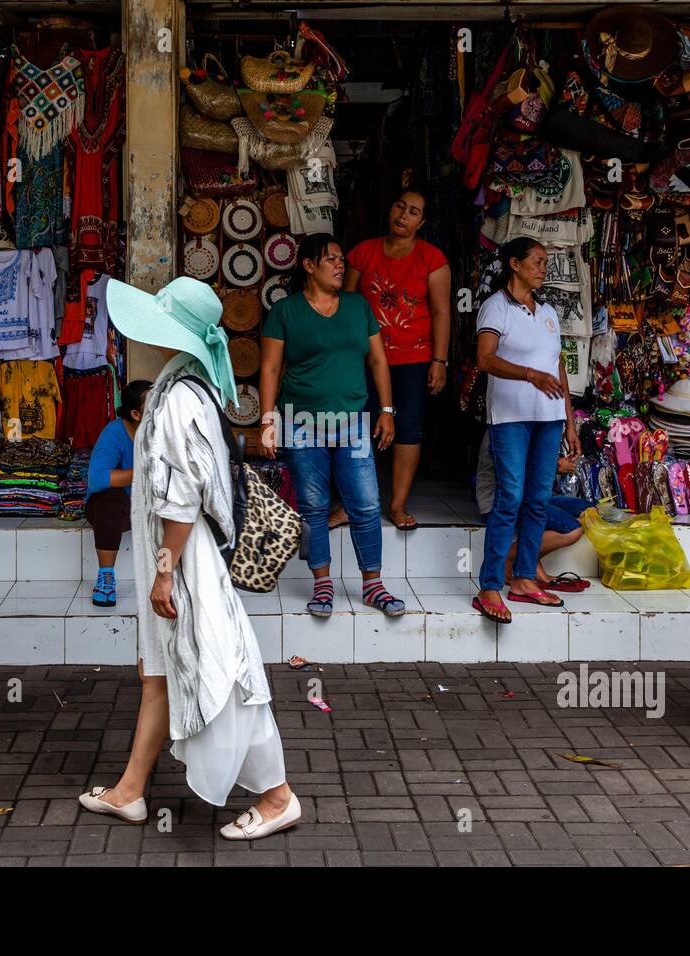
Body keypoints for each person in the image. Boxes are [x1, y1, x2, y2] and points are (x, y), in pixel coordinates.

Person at [78, 276, 300, 841]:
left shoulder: (177, 397)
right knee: (158, 673)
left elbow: (182, 495)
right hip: (178, 549)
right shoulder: (189, 387)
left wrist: (163, 571)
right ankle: (130, 791)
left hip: (181, 553)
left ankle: (277, 796)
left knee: (219, 668)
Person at [259, 235, 406, 618]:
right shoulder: (285, 312)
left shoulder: (358, 307)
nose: (341, 266)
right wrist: (268, 420)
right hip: (301, 422)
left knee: (367, 502)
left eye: (342, 259)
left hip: (354, 422)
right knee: (312, 505)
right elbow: (271, 368)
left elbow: (378, 362)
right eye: (332, 260)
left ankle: (372, 584)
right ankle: (322, 584)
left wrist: (386, 409)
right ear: (308, 265)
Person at [473, 237, 581, 624]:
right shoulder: (495, 307)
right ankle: (489, 584)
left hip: (549, 418)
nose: (542, 268)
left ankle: (522, 579)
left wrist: (570, 421)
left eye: (544, 262)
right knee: (511, 499)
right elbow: (485, 359)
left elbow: (559, 369)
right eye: (536, 261)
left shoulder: (548, 311)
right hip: (511, 418)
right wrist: (528, 375)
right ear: (514, 264)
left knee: (538, 499)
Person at [343, 189, 452, 531]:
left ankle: (397, 503)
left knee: (407, 430)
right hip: (366, 357)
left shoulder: (432, 259)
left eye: (413, 211)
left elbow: (441, 311)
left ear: (422, 222)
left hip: (414, 359)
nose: (403, 215)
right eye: (400, 206)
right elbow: (347, 305)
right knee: (359, 428)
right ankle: (356, 504)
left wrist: (440, 360)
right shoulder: (363, 252)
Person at [475, 431, 592, 592]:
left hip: (531, 496)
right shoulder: (506, 426)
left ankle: (532, 563)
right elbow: (515, 469)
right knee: (572, 529)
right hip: (500, 499)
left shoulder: (540, 422)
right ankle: (511, 556)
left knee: (589, 511)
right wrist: (556, 465)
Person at [85, 378, 152, 607]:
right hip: (119, 506)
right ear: (135, 414)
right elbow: (97, 479)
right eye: (153, 406)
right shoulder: (114, 432)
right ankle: (106, 577)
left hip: (150, 503)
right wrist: (142, 471)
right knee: (109, 501)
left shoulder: (161, 432)